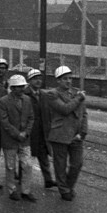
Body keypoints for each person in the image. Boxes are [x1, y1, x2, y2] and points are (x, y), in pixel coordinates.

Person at [46, 66, 88, 201]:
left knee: (77, 163)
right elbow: (65, 109)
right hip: (60, 134)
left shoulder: (77, 93)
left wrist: (83, 132)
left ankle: (68, 186)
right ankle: (64, 190)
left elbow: (84, 114)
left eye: (70, 78)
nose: (69, 81)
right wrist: (78, 98)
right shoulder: (52, 94)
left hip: (76, 135)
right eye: (65, 79)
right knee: (60, 164)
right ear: (58, 80)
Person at [0, 75, 36, 202]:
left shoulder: (27, 100)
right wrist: (17, 134)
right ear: (12, 88)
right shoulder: (3, 101)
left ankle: (26, 190)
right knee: (10, 166)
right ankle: (12, 189)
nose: (21, 89)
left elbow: (31, 117)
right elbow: (4, 121)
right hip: (10, 139)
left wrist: (26, 132)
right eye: (19, 87)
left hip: (24, 139)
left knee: (27, 164)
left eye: (23, 87)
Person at [24, 69, 56, 189]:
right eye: (35, 79)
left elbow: (48, 112)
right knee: (26, 159)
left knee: (44, 157)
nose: (38, 81)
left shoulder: (44, 95)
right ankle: (23, 181)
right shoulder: (25, 93)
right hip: (29, 131)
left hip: (42, 131)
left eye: (39, 78)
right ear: (29, 80)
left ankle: (48, 180)